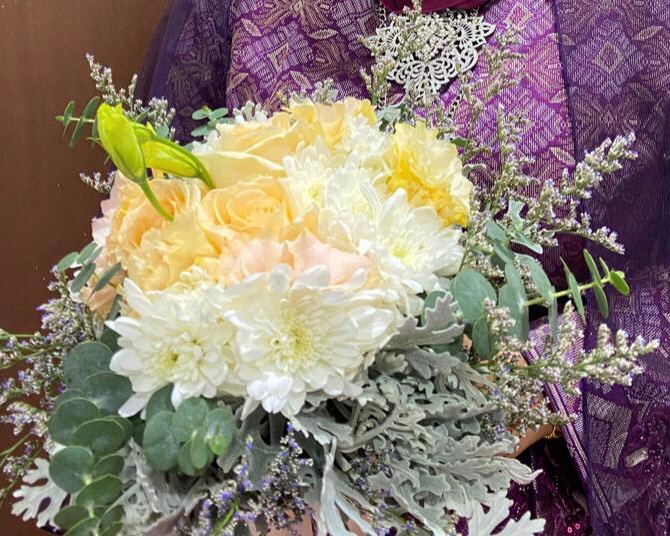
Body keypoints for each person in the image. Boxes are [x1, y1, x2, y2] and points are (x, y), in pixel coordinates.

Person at [138, 1, 670, 534]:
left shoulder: (637, 20)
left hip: (523, 477)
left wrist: (537, 380)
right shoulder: (238, 13)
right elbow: (166, 233)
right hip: (278, 478)